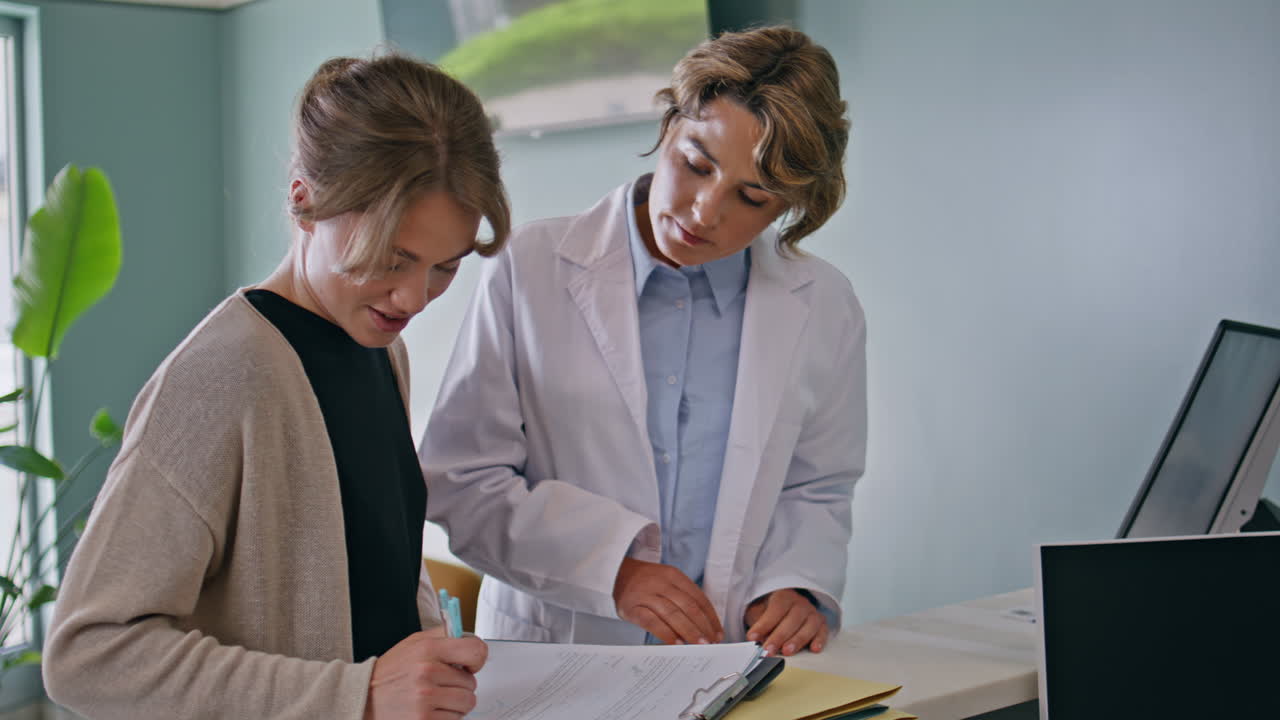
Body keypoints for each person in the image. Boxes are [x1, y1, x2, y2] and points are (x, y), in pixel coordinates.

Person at [44, 54, 509, 719]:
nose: (414, 296)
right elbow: (87, 654)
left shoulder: (382, 347)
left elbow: (368, 574)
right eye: (392, 258)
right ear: (305, 201)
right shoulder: (226, 375)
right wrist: (355, 695)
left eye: (445, 268)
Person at [420, 25, 864, 658]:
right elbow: (462, 478)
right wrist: (612, 571)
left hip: (730, 657)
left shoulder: (824, 304)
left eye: (753, 197)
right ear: (667, 126)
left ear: (790, 208)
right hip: (555, 651)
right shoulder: (532, 266)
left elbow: (819, 485)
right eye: (696, 164)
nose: (706, 212)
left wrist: (793, 586)